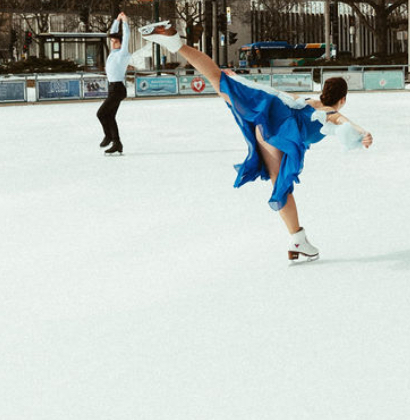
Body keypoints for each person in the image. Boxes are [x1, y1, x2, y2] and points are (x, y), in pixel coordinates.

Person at [139, 20, 373, 263]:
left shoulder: (311, 102)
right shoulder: (329, 113)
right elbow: (342, 120)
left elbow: (285, 97)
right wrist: (363, 132)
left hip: (270, 114)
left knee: (219, 79)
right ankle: (297, 239)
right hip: (278, 132)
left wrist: (243, 83)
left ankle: (175, 43)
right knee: (281, 187)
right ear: (343, 99)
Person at [97, 13, 130, 155]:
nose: (112, 42)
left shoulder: (122, 53)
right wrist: (116, 20)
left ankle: (109, 136)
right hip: (112, 88)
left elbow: (126, 35)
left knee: (101, 113)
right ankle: (117, 143)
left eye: (114, 41)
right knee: (109, 116)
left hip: (118, 89)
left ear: (120, 43)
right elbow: (113, 33)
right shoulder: (113, 52)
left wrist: (125, 22)